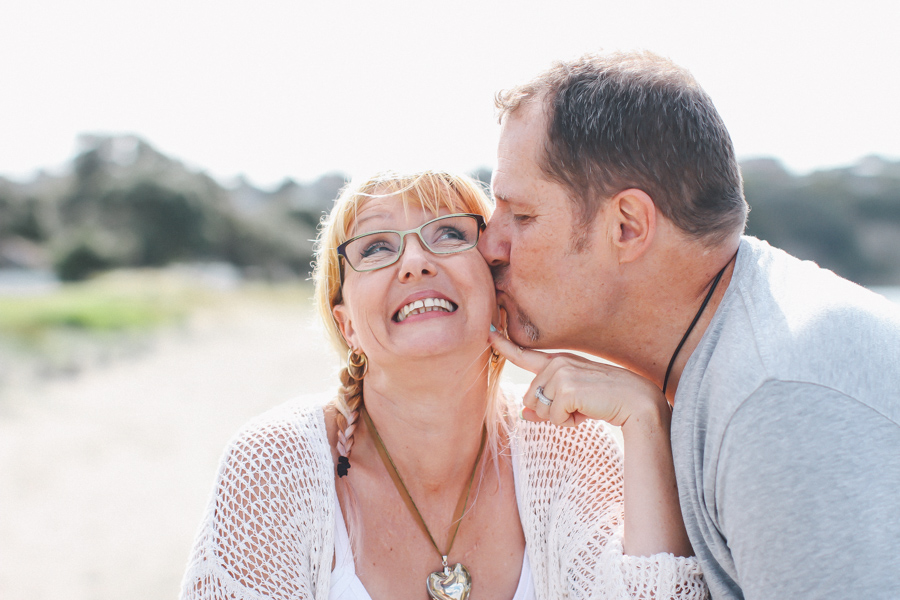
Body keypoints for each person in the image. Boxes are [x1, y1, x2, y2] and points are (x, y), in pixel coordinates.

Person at [479, 52, 900, 599]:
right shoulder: (737, 349)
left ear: (627, 226)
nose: (490, 245)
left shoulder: (776, 401)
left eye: (522, 216)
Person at [180, 170, 708, 599]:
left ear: (496, 288)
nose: (415, 262)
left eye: (450, 234)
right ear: (347, 325)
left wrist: (645, 417)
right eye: (376, 247)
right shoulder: (274, 467)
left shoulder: (569, 451)